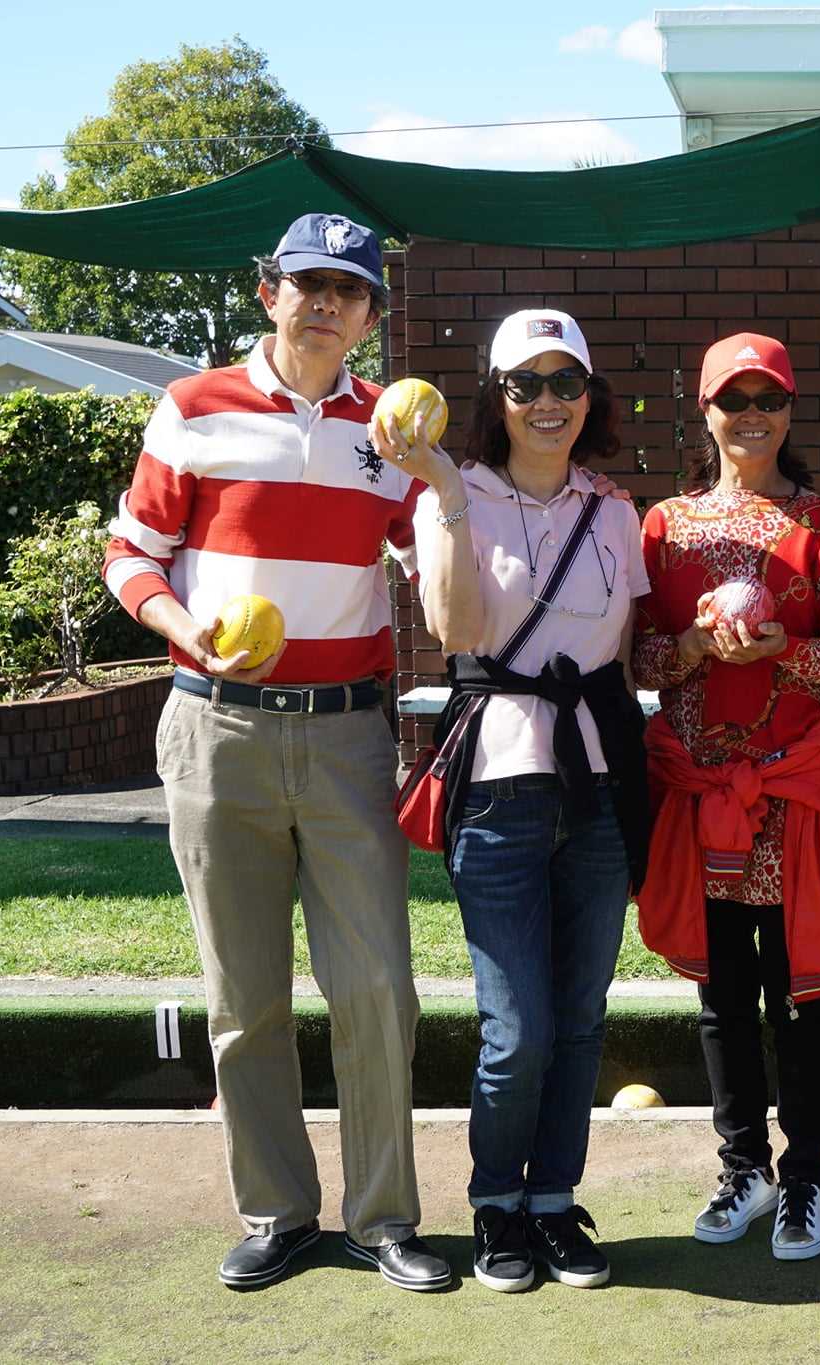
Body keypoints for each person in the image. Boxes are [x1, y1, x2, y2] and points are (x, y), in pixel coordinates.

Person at [99, 213, 449, 1291]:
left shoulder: (387, 430)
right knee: (243, 995)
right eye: (309, 285)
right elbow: (131, 551)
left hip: (348, 734)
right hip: (217, 729)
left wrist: (439, 479)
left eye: (350, 291)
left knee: (377, 988)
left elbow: (431, 560)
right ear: (269, 294)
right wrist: (179, 624)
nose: (328, 304)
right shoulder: (193, 405)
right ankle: (277, 1212)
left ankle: (383, 1218)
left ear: (370, 317)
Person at [377, 309, 651, 1293]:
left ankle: (553, 1202)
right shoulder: (452, 495)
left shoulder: (613, 510)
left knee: (579, 1018)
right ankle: (497, 1200)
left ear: (589, 397)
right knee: (518, 1026)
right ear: (495, 398)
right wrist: (449, 492)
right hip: (498, 789)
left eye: (564, 382)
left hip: (598, 787)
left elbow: (624, 653)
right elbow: (455, 631)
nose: (546, 402)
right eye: (524, 384)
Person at [632, 332, 820, 1263]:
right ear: (707, 412)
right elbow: (637, 657)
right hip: (701, 794)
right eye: (734, 400)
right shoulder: (666, 527)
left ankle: (804, 1174)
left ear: (790, 410)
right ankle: (743, 1166)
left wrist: (785, 649)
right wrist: (695, 646)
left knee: (800, 990)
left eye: (768, 399)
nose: (752, 416)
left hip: (791, 790)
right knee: (721, 990)